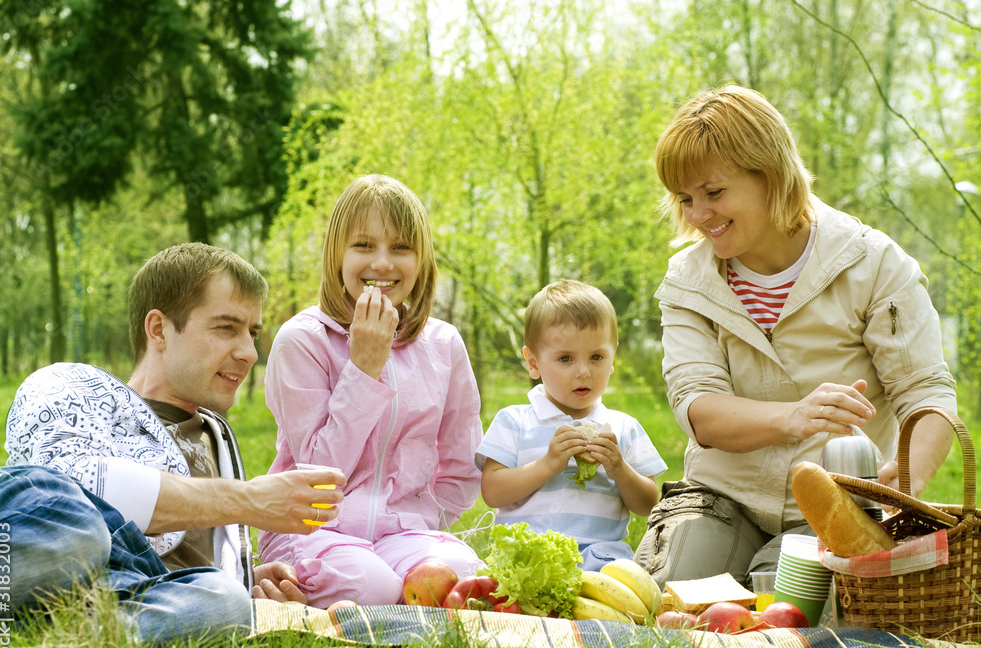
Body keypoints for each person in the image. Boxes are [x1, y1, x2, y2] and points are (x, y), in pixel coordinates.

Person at [634, 84, 957, 588]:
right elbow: (698, 407)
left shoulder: (873, 263)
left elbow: (926, 392)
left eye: (714, 193)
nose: (698, 216)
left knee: (781, 607)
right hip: (721, 496)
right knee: (662, 602)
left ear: (771, 173)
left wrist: (901, 483)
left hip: (836, 498)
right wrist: (794, 416)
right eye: (685, 199)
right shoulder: (687, 281)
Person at [0, 243, 344, 643]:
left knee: (224, 602)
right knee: (79, 531)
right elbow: (75, 487)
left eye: (252, 333)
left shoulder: (217, 441)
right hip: (47, 538)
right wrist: (250, 499)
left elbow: (176, 571)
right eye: (226, 328)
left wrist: (245, 579)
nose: (248, 352)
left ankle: (51, 636)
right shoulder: (71, 384)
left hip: (117, 590)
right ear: (158, 329)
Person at [258, 174, 484, 607]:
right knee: (371, 587)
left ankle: (396, 583)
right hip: (314, 528)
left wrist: (419, 518)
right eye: (363, 246)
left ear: (421, 261)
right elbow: (317, 475)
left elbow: (461, 463)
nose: (382, 263)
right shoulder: (302, 340)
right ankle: (376, 593)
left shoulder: (444, 344)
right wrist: (364, 366)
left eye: (401, 248)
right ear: (337, 255)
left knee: (465, 575)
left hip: (405, 532)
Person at [475, 280, 666, 571]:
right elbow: (492, 491)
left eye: (597, 357)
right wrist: (548, 464)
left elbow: (649, 505)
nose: (583, 372)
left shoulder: (622, 427)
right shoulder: (514, 421)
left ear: (613, 357)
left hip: (600, 559)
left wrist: (620, 470)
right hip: (529, 558)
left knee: (624, 590)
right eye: (565, 358)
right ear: (533, 363)